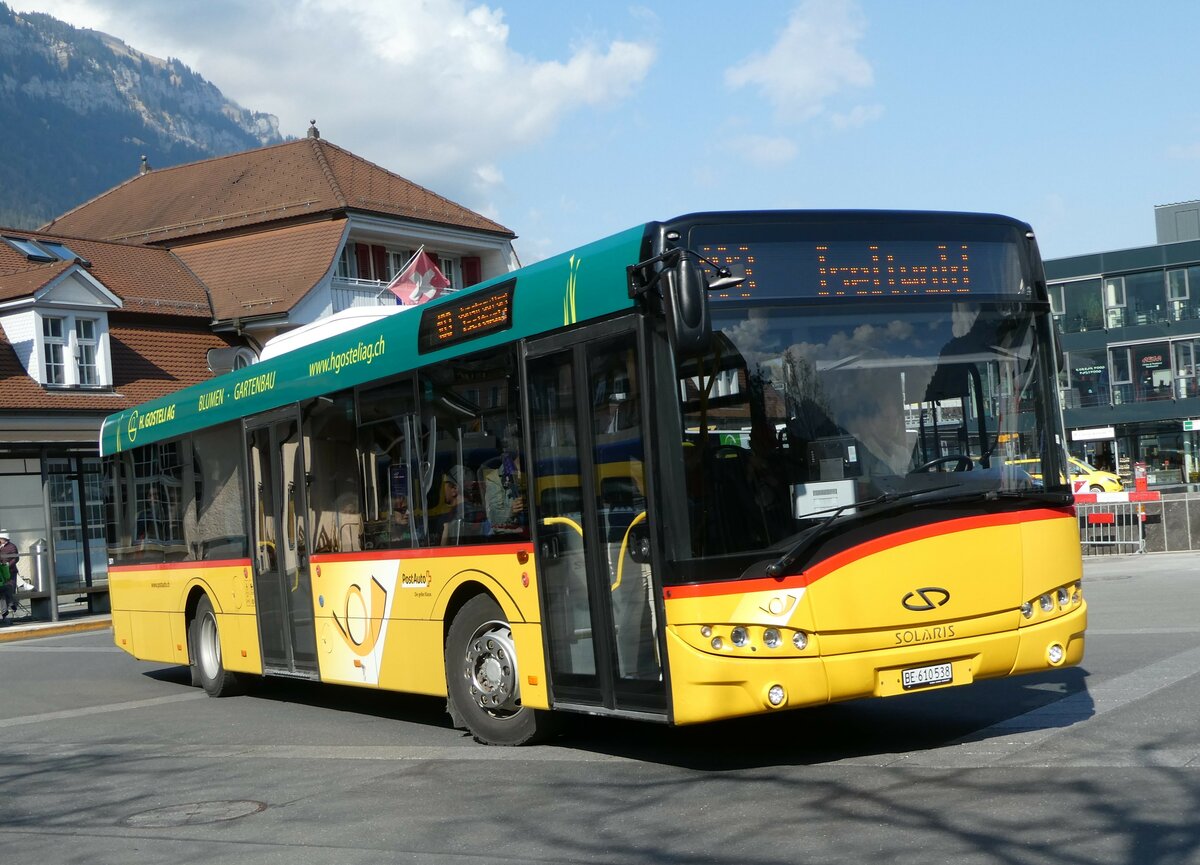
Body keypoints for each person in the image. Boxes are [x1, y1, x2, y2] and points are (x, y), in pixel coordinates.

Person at [0, 529, 20, 623]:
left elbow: (16, 558)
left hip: (10, 572)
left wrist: (8, 565)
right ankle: (7, 611)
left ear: (4, 539)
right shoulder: (0, 546)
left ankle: (9, 611)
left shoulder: (12, 547)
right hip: (1, 573)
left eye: (0, 538)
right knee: (4, 591)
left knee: (9, 590)